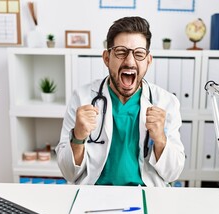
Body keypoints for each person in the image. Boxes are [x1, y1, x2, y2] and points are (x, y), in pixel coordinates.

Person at [56, 16, 185, 187]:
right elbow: (69, 173)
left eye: (139, 53)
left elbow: (173, 173)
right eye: (121, 52)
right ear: (107, 58)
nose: (130, 61)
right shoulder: (82, 98)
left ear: (148, 60)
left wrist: (160, 139)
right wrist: (78, 137)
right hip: (94, 195)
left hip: (146, 194)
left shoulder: (166, 102)